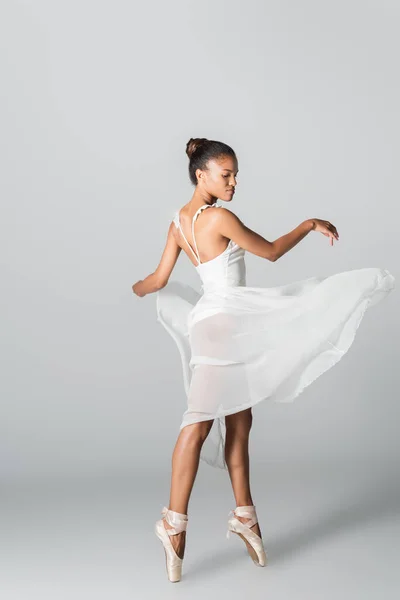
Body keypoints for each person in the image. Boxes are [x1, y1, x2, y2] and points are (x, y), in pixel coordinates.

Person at [132, 137, 395, 582]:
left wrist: (135, 289)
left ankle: (245, 515)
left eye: (235, 174)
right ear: (201, 175)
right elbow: (271, 251)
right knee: (197, 425)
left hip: (218, 324)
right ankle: (173, 526)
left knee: (239, 421)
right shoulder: (219, 216)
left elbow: (158, 278)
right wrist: (309, 223)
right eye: (225, 174)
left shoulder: (178, 223)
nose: (233, 182)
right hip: (225, 323)